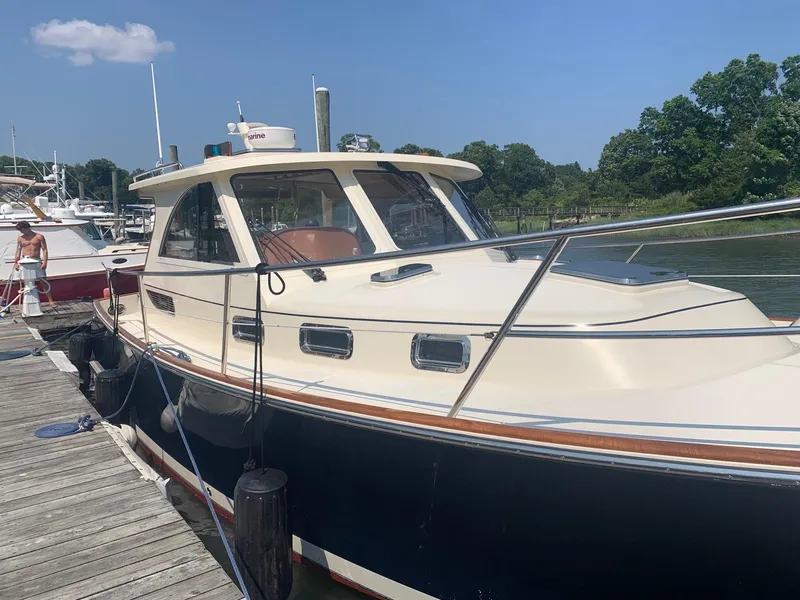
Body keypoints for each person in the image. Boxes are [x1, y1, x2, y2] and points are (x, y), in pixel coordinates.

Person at [13, 221, 56, 307]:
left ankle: (51, 301)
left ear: (27, 228)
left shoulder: (39, 237)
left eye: (22, 230)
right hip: (25, 260)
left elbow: (44, 249)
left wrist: (45, 262)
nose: (21, 232)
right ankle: (27, 301)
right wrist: (16, 262)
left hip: (36, 260)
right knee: (26, 281)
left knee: (43, 280)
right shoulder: (20, 238)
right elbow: (18, 251)